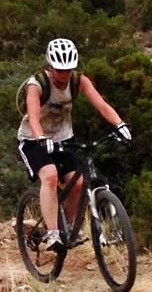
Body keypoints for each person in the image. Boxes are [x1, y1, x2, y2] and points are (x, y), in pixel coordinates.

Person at [17, 37, 131, 251]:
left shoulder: (80, 81)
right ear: (50, 67)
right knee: (49, 176)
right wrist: (42, 138)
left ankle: (68, 229)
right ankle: (52, 233)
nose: (64, 75)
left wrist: (120, 124)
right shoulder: (37, 85)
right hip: (33, 139)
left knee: (78, 183)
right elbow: (33, 116)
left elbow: (102, 106)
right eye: (59, 70)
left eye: (68, 69)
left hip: (63, 139)